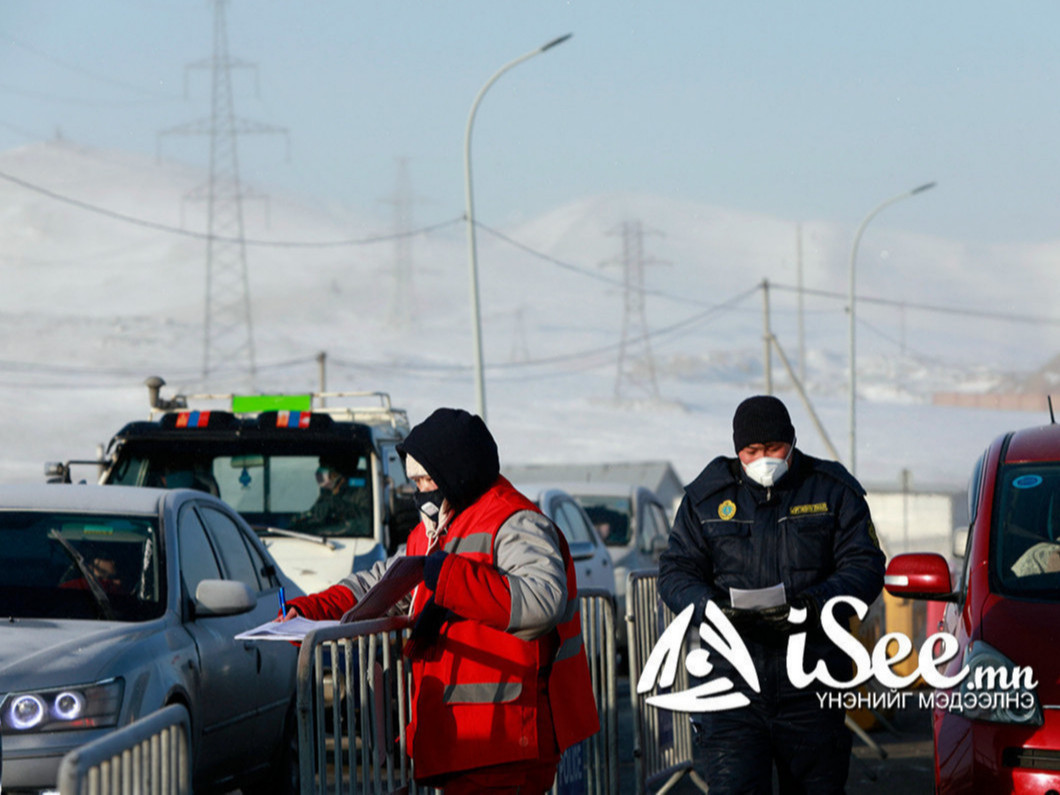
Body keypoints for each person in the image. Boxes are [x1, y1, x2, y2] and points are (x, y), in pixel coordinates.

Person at [282, 407, 599, 793]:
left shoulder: (516, 521)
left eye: (428, 478)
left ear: (457, 470)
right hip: (464, 742)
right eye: (414, 481)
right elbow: (380, 582)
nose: (421, 491)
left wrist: (443, 574)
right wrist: (310, 610)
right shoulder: (434, 530)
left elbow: (540, 601)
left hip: (507, 740)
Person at [658, 395, 885, 795]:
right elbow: (676, 572)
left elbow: (864, 567)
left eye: (774, 449)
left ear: (792, 442)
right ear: (737, 451)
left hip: (812, 683)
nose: (764, 459)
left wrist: (814, 605)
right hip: (730, 687)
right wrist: (712, 609)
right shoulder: (706, 498)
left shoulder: (833, 490)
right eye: (752, 451)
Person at [289, 457, 371, 536]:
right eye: (321, 465)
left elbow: (368, 523)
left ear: (338, 473)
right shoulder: (327, 493)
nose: (320, 471)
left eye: (326, 467)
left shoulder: (364, 490)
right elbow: (317, 516)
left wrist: (339, 506)